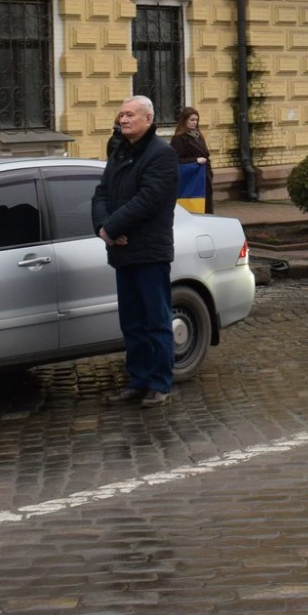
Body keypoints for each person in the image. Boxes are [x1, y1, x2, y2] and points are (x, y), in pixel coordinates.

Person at [91, 95, 179, 406]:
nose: (123, 120)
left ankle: (160, 383)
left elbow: (148, 200)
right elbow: (101, 192)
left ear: (148, 120)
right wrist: (105, 228)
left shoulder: (162, 155)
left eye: (129, 115)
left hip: (149, 251)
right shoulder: (119, 151)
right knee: (132, 322)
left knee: (156, 320)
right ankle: (138, 380)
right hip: (122, 250)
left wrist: (112, 228)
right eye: (121, 115)